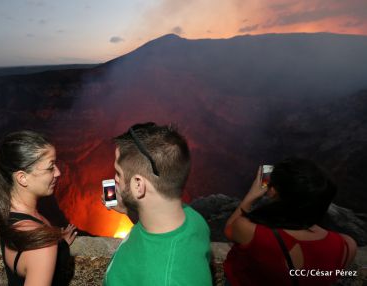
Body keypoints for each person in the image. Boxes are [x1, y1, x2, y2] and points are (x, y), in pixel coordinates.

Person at [103, 122, 212, 286]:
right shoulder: (194, 220)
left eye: (118, 173)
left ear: (139, 185)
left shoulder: (167, 280)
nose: (115, 179)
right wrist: (128, 211)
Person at [223, 158, 357, 286]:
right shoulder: (346, 246)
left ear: (273, 192)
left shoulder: (253, 233)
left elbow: (230, 230)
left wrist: (251, 195)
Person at [0, 130, 77, 286]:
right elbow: (37, 254)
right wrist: (50, 243)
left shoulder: (6, 214)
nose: (58, 173)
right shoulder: (42, 246)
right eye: (50, 167)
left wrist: (60, 244)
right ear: (22, 178)